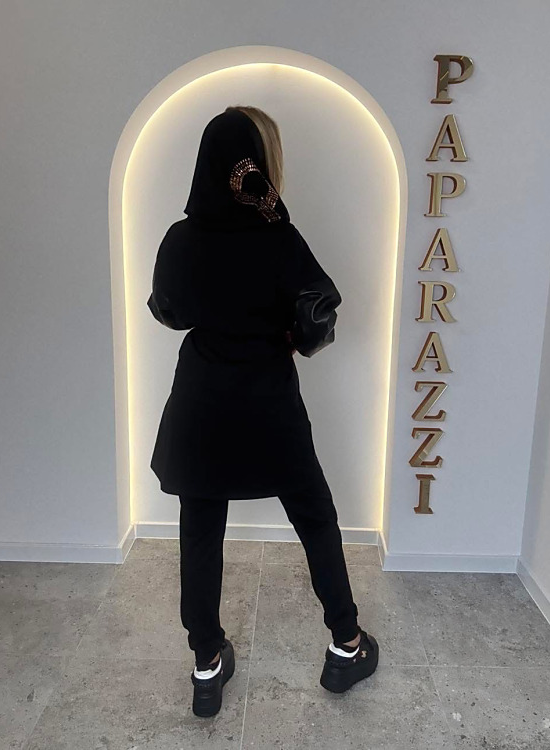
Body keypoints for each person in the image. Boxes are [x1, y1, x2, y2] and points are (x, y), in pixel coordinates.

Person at [147, 105, 379, 718]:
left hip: (201, 402)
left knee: (200, 529)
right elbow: (319, 309)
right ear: (258, 163)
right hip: (268, 402)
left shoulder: (180, 238)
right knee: (315, 518)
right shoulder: (279, 236)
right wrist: (289, 335)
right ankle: (346, 645)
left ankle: (206, 665)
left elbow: (169, 311)